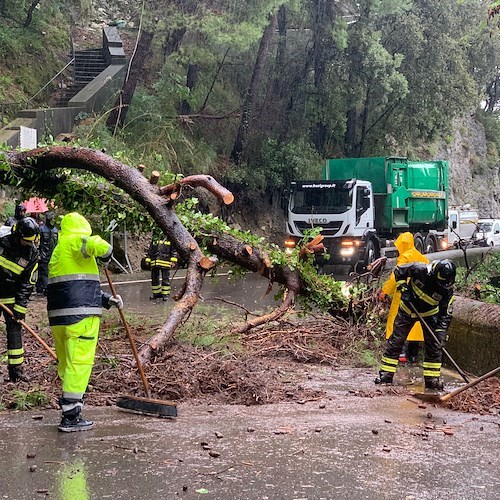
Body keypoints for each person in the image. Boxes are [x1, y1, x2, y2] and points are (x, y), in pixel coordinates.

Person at [47, 212, 123, 432]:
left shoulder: (58, 251)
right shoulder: (77, 241)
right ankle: (70, 416)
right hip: (81, 319)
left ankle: (71, 408)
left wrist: (108, 299)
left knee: (68, 363)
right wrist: (106, 256)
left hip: (59, 319)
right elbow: (101, 246)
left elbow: (77, 286)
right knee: (79, 364)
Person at [375, 259, 456, 390]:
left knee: (434, 347)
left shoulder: (447, 290)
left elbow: (445, 315)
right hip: (407, 311)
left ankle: (432, 380)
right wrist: (402, 286)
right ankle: (385, 375)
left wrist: (441, 334)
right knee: (396, 342)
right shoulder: (419, 269)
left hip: (430, 316)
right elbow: (399, 271)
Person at [0, 217, 40, 382]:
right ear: (17, 235)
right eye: (26, 241)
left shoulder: (32, 254)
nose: (29, 245)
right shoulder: (2, 242)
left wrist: (20, 308)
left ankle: (16, 371)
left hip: (12, 296)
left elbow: (27, 284)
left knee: (15, 330)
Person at [380, 232, 429, 363]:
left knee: (399, 322)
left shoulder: (404, 258)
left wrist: (385, 291)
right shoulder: (422, 258)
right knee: (417, 324)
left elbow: (395, 276)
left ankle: (400, 352)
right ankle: (413, 355)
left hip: (403, 295)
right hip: (419, 296)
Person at [145, 230, 178, 301]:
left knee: (165, 279)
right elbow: (151, 249)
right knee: (154, 279)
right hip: (155, 262)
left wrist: (173, 260)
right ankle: (156, 294)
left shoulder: (170, 237)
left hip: (165, 262)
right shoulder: (155, 239)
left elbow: (174, 250)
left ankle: (165, 295)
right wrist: (148, 259)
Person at [36, 211, 59, 295]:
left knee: (48, 272)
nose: (52, 220)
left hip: (53, 255)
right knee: (43, 272)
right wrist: (38, 253)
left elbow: (56, 243)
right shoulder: (41, 229)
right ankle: (43, 288)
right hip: (43, 254)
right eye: (51, 219)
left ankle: (43, 288)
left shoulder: (55, 230)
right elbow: (37, 242)